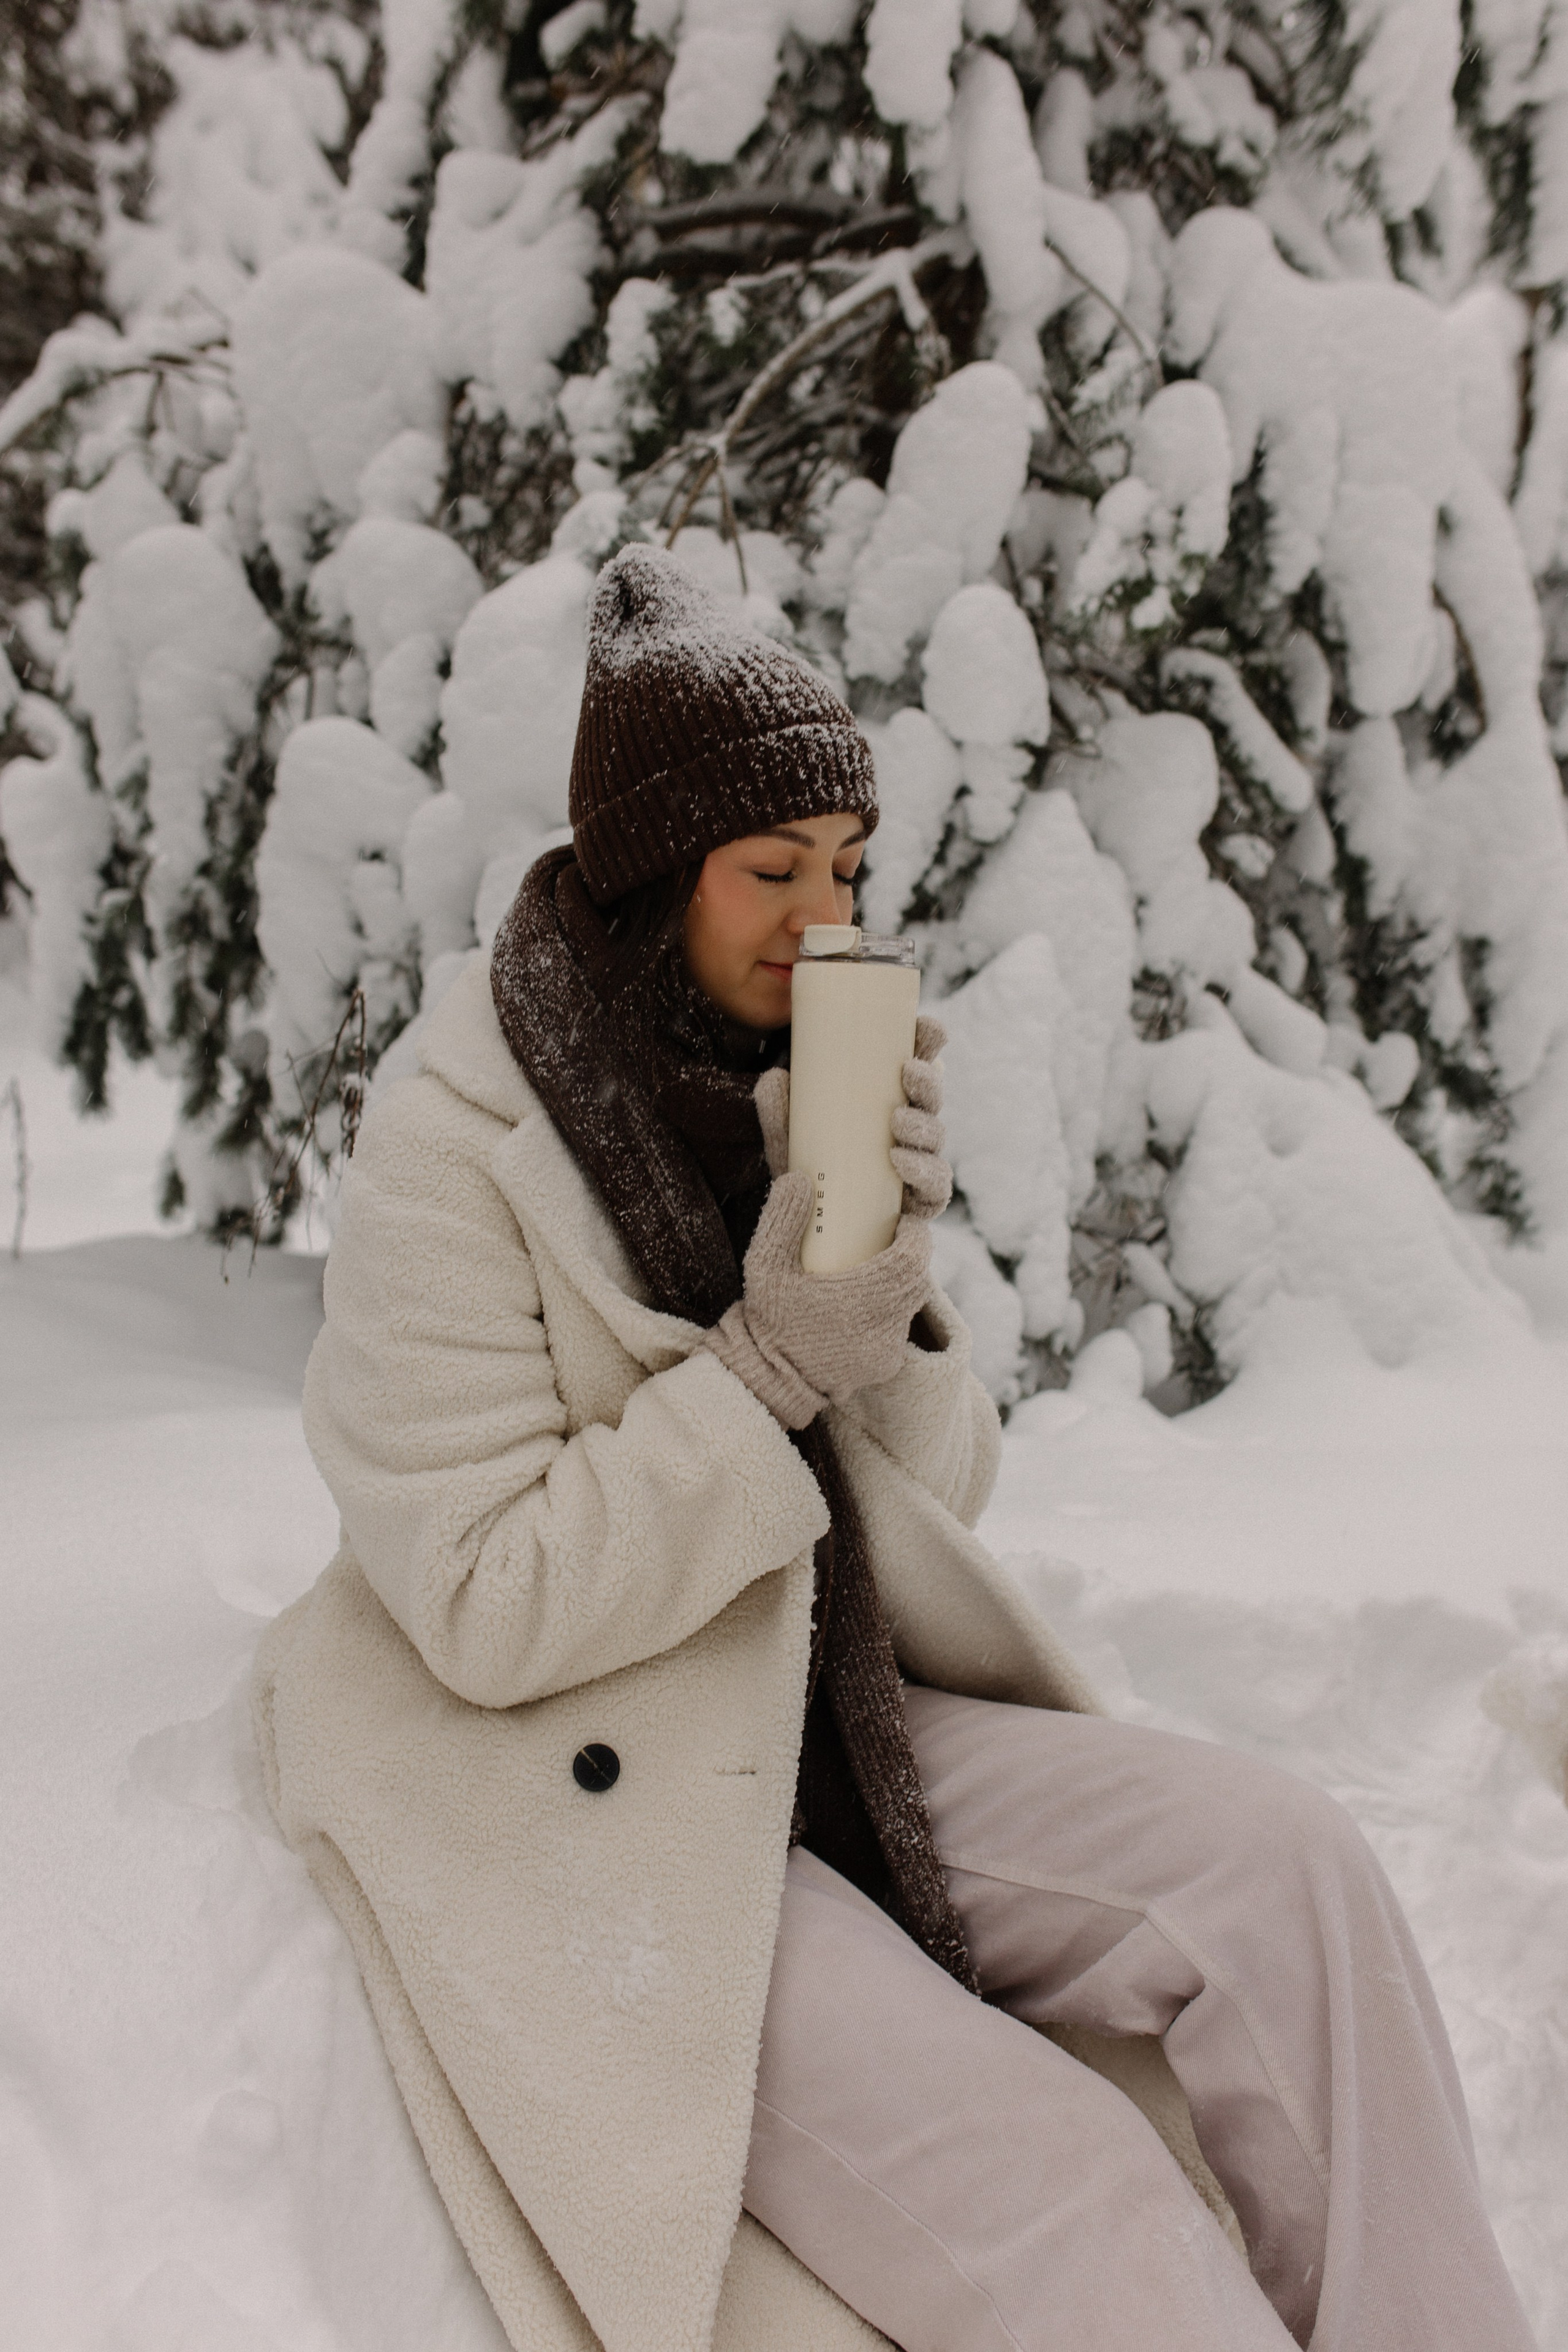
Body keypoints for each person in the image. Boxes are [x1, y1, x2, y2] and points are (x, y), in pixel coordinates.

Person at [254, 545, 1536, 2352]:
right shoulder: (455, 1145)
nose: (819, 917)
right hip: (573, 1784)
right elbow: (486, 1601)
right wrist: (772, 1359)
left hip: (806, 1697)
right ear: (647, 875)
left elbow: (941, 1506)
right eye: (770, 872)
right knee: (1066, 2185)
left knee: (1291, 1876)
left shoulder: (776, 1085)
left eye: (845, 870)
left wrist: (884, 1288)